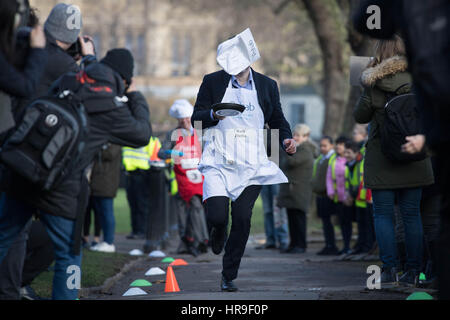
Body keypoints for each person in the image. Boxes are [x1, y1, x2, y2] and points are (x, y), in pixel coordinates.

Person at [0, 48, 152, 300]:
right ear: (124, 81)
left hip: (23, 171)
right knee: (68, 256)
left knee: (4, 238)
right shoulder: (111, 108)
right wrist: (135, 96)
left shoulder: (70, 78)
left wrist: (89, 57)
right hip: (60, 190)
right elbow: (143, 134)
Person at [353, 0, 450, 299]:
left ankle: (389, 269)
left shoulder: (372, 83)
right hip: (418, 157)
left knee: (383, 215)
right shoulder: (420, 75)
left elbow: (360, 117)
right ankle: (414, 270)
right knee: (412, 215)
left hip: (383, 157)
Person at [192, 28, 296, 292]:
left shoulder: (267, 85)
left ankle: (229, 273)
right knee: (217, 215)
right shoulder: (213, 82)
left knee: (242, 218)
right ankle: (217, 230)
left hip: (252, 164)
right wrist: (214, 114)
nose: (234, 72)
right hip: (219, 159)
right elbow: (197, 118)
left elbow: (277, 120)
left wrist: (286, 139)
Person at [158, 99, 209, 257]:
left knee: (196, 206)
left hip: (199, 176)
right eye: (182, 121)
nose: (186, 122)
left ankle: (198, 240)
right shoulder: (172, 135)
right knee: (186, 209)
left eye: (188, 119)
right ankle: (191, 240)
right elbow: (161, 153)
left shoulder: (201, 133)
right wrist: (170, 153)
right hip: (181, 178)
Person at [278, 124, 315, 254]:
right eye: (295, 135)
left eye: (300, 135)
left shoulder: (305, 149)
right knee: (292, 219)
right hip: (292, 190)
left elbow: (291, 162)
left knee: (299, 220)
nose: (296, 138)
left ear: (306, 136)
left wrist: (283, 148)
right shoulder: (299, 148)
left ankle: (300, 245)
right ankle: (294, 244)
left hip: (299, 190)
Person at [123, 136, 161, 240]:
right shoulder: (127, 137)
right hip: (130, 173)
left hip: (143, 174)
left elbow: (155, 157)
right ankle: (135, 230)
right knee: (133, 204)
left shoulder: (149, 139)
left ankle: (142, 231)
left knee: (141, 204)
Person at [88, 143, 122, 253]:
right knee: (101, 214)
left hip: (107, 183)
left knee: (107, 213)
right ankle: (105, 241)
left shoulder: (115, 142)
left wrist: (97, 148)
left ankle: (109, 242)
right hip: (97, 183)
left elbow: (109, 154)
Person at [326, 136, 353, 255]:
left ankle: (349, 246)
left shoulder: (350, 160)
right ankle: (345, 246)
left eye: (340, 144)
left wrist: (350, 194)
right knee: (342, 222)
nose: (338, 147)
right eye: (337, 144)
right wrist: (331, 191)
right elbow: (329, 178)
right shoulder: (333, 160)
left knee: (348, 222)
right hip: (338, 197)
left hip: (349, 198)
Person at [313, 136, 340, 255]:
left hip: (329, 194)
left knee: (329, 221)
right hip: (320, 194)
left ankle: (332, 245)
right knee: (325, 221)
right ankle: (328, 244)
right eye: (321, 146)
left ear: (331, 146)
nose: (322, 148)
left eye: (325, 146)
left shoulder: (333, 158)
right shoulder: (320, 158)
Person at [256, 184, 289, 251]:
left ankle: (283, 240)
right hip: (264, 178)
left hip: (276, 177)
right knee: (267, 210)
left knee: (278, 208)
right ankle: (270, 241)